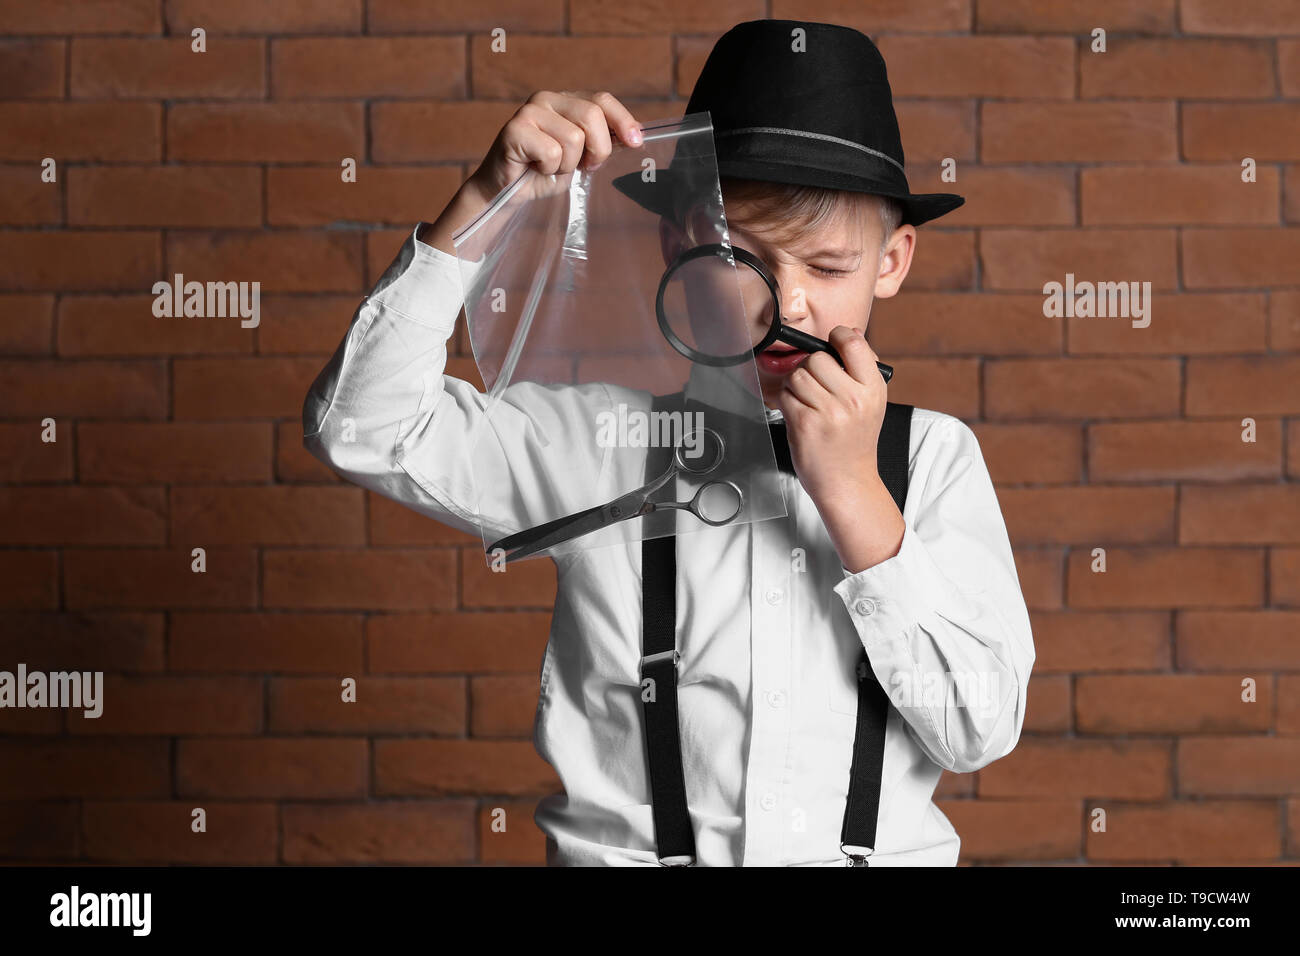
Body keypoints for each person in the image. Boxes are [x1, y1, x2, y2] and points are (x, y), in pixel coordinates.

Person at [303, 18, 1035, 866]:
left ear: (893, 263)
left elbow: (978, 727)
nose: (788, 306)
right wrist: (484, 203)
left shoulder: (934, 463)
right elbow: (362, 427)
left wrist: (855, 497)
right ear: (675, 243)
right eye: (744, 259)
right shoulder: (598, 446)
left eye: (829, 268)